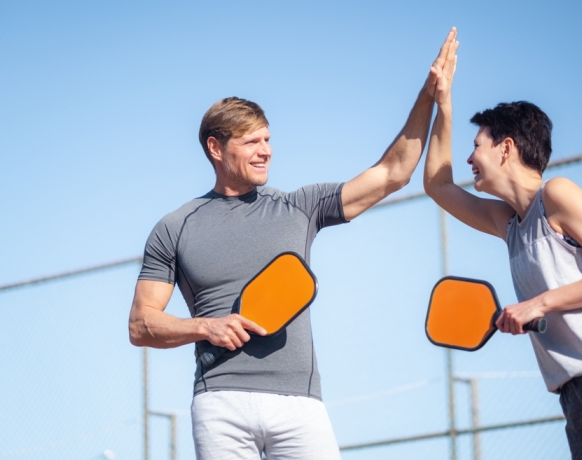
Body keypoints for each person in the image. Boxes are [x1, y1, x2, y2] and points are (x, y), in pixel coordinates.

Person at [128, 28, 458, 460]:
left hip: (300, 404)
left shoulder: (299, 207)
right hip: (219, 401)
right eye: (251, 142)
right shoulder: (175, 227)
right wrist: (205, 326)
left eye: (267, 139)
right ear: (215, 147)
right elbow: (140, 325)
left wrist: (430, 95)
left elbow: (394, 172)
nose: (265, 151)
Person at [422, 47, 582, 460]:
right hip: (574, 394)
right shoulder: (508, 224)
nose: (468, 158)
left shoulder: (557, 194)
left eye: (476, 147)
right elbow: (438, 186)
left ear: (505, 148)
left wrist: (537, 304)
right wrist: (443, 103)